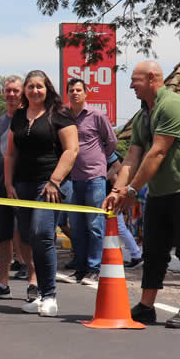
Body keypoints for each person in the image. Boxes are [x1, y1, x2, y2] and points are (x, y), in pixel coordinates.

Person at [103, 61, 180, 329]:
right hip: (160, 192)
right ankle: (146, 306)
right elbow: (132, 156)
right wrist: (118, 191)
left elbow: (158, 152)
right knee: (153, 251)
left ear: (152, 78)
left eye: (135, 80)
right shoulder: (143, 115)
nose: (131, 86)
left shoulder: (172, 105)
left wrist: (131, 191)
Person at [4, 70, 79, 316]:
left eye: (40, 86)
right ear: (25, 90)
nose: (35, 91)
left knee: (42, 233)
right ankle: (36, 291)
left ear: (48, 89)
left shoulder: (60, 114)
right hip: (22, 184)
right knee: (26, 236)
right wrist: (8, 184)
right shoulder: (18, 116)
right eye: (31, 86)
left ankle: (49, 296)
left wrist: (54, 181)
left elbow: (71, 151)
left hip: (50, 185)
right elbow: (11, 154)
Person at [0, 75, 36, 300]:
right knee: (2, 237)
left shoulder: (30, 119)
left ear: (22, 93)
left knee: (26, 236)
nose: (11, 94)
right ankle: (3, 284)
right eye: (8, 91)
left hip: (24, 186)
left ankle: (33, 282)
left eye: (15, 90)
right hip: (0, 187)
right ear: (3, 93)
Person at [65, 78, 118, 287]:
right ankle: (80, 268)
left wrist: (100, 159)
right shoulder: (65, 117)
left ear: (86, 93)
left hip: (95, 177)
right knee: (76, 226)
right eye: (71, 90)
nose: (75, 93)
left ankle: (94, 269)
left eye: (79, 90)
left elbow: (111, 141)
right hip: (73, 177)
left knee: (95, 224)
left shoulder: (97, 115)